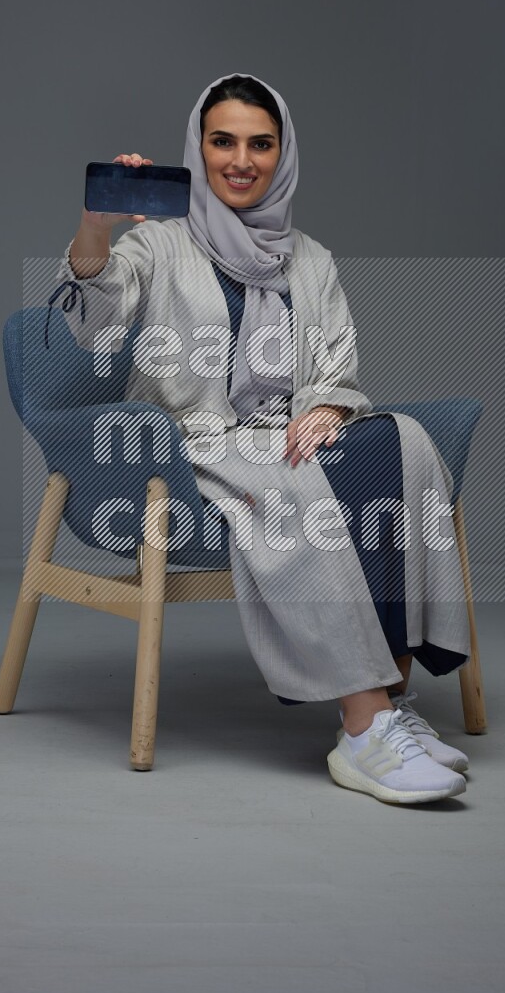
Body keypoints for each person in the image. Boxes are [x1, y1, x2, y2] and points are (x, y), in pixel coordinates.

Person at [54, 72, 472, 805]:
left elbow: (336, 362)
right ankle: (363, 726)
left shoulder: (309, 258)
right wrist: (96, 226)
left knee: (400, 441)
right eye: (222, 141)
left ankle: (390, 694)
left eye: (259, 143)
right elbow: (90, 324)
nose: (240, 159)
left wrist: (331, 409)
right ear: (199, 146)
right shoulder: (159, 243)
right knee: (294, 484)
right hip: (192, 446)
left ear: (283, 154)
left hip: (281, 439)